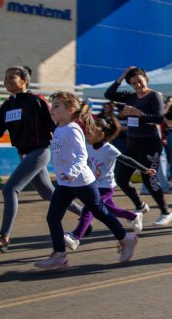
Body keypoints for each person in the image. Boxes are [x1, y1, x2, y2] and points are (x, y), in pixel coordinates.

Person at [34, 92, 138, 269]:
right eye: (52, 105)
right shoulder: (59, 129)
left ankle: (126, 239)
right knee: (53, 217)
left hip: (81, 181)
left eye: (57, 106)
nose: (52, 108)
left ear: (71, 110)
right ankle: (60, 255)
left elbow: (82, 156)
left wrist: (72, 172)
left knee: (100, 212)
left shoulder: (73, 129)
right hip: (65, 183)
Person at [0, 66, 82, 253]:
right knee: (48, 194)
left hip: (40, 151)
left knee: (10, 189)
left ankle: (4, 237)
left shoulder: (36, 100)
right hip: (23, 154)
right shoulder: (7, 106)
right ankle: (85, 215)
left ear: (24, 80)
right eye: (5, 78)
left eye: (12, 77)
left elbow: (53, 125)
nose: (7, 81)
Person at [64, 117, 152, 250]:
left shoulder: (109, 149)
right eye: (86, 131)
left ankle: (76, 237)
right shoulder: (88, 147)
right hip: (93, 185)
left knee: (89, 208)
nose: (87, 134)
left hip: (106, 187)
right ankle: (134, 216)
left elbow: (126, 159)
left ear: (101, 134)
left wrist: (144, 169)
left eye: (90, 132)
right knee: (111, 210)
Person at [105, 66, 172, 225]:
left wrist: (138, 113)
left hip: (150, 143)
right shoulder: (130, 96)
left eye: (139, 81)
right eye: (133, 83)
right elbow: (108, 94)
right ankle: (140, 205)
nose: (137, 85)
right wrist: (122, 75)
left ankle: (166, 212)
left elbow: (158, 118)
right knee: (121, 178)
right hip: (132, 143)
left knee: (149, 179)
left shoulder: (154, 95)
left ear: (146, 79)